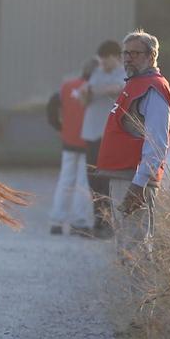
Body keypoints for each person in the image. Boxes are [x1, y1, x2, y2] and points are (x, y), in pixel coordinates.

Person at [96, 30, 170, 250]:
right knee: (127, 246)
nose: (128, 58)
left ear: (151, 56)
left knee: (135, 248)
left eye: (135, 53)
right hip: (124, 178)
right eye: (125, 53)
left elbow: (157, 143)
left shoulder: (153, 88)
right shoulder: (135, 84)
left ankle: (136, 286)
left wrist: (138, 186)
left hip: (133, 181)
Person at [79, 40, 124, 239]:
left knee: (107, 180)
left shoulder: (123, 73)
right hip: (91, 133)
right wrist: (88, 93)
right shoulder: (97, 73)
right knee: (93, 180)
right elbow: (84, 98)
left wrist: (93, 91)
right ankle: (98, 221)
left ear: (116, 57)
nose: (103, 63)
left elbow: (116, 89)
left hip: (110, 136)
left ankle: (110, 223)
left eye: (106, 60)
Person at [48, 59, 96, 235]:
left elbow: (51, 108)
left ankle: (56, 221)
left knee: (65, 181)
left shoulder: (66, 87)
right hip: (89, 141)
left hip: (68, 140)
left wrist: (60, 127)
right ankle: (79, 222)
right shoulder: (94, 89)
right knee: (83, 182)